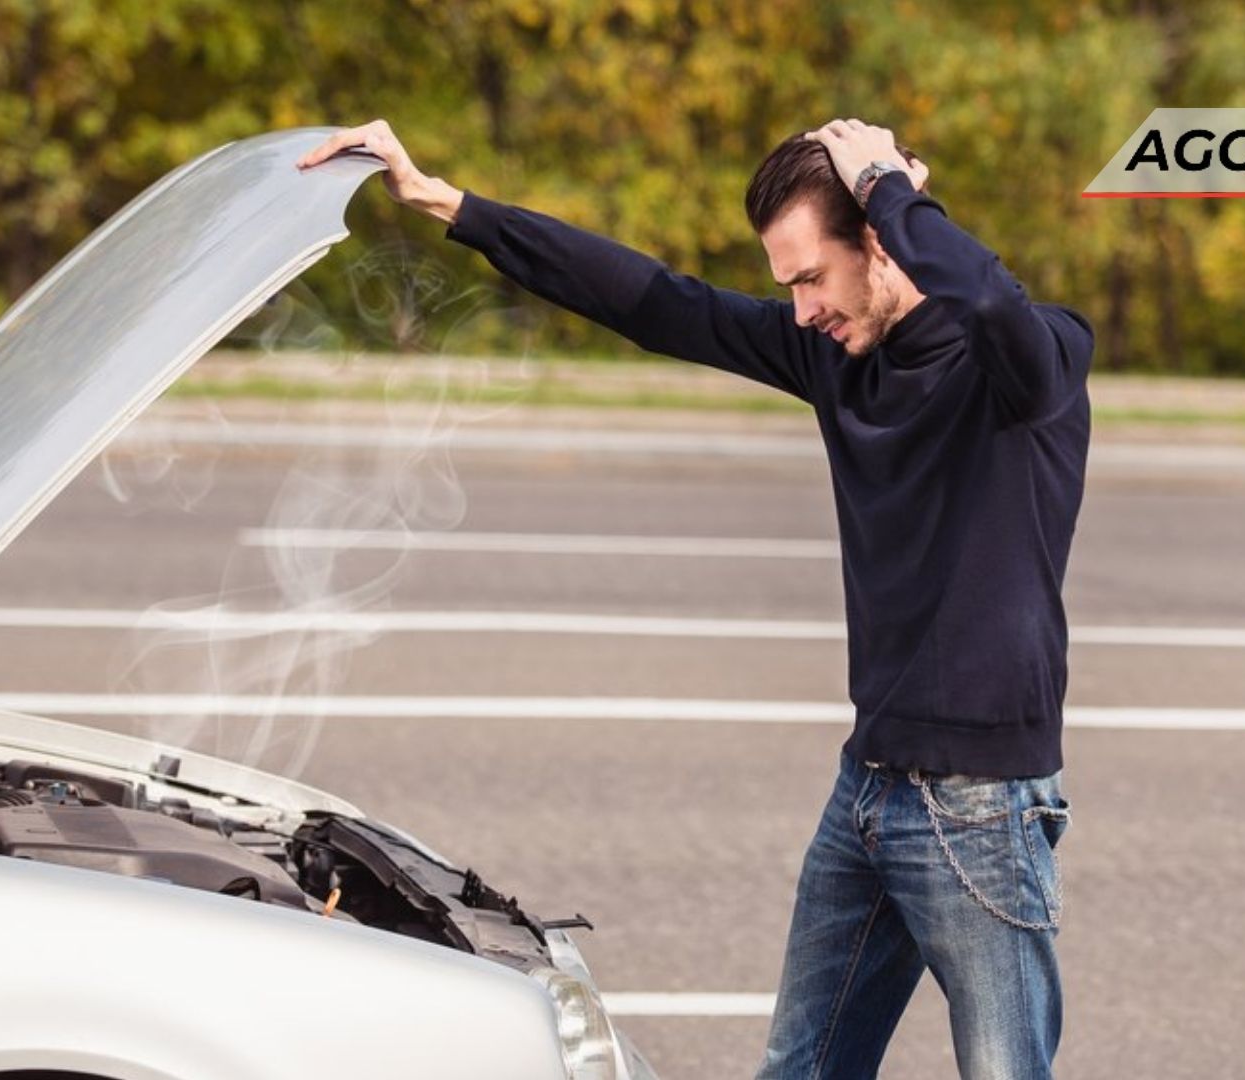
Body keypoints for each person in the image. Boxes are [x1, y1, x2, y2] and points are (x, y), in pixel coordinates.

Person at [301, 116, 1094, 1079]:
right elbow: (652, 300)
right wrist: (451, 206)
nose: (801, 309)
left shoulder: (1029, 365)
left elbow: (989, 301)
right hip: (871, 787)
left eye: (812, 277)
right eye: (787, 284)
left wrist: (887, 184)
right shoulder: (838, 359)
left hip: (980, 808)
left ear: (883, 239)